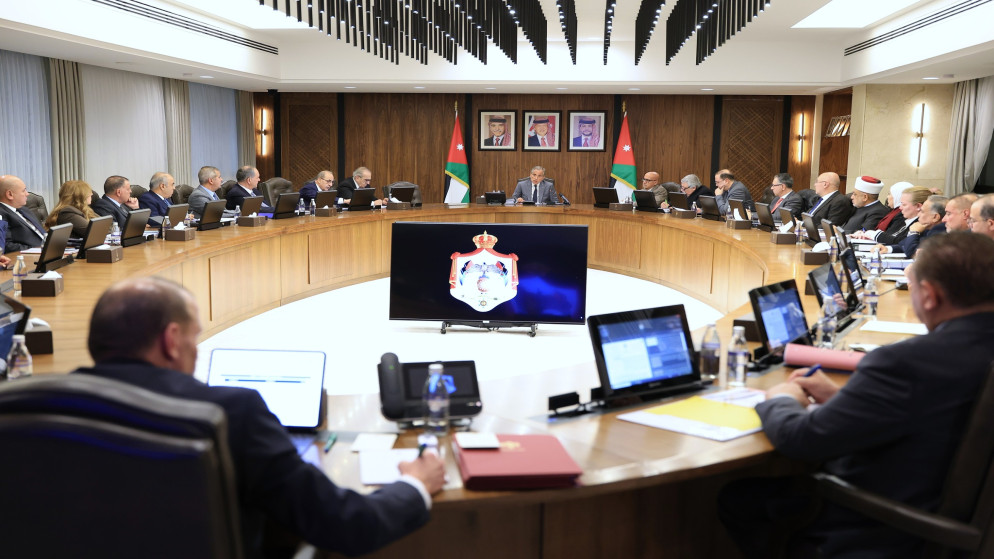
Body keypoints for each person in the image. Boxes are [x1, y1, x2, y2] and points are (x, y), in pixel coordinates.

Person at [72, 277, 446, 557]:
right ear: (171, 341)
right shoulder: (230, 412)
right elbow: (345, 525)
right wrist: (413, 486)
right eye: (194, 338)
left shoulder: (42, 404)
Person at [719, 232, 994, 558]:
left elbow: (803, 440)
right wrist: (842, 398)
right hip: (960, 520)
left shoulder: (907, 363)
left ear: (930, 295)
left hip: (885, 527)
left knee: (739, 497)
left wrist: (782, 397)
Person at [875, 195, 947, 257]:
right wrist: (888, 249)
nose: (918, 215)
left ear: (935, 217)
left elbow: (911, 252)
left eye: (922, 211)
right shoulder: (926, 228)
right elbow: (904, 244)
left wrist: (913, 232)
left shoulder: (940, 233)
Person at [0, 174, 47, 253]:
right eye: (23, 190)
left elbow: (42, 234)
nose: (27, 194)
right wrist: (37, 249)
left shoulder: (25, 210)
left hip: (47, 250)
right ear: (10, 194)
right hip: (29, 256)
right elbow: (7, 246)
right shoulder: (2, 214)